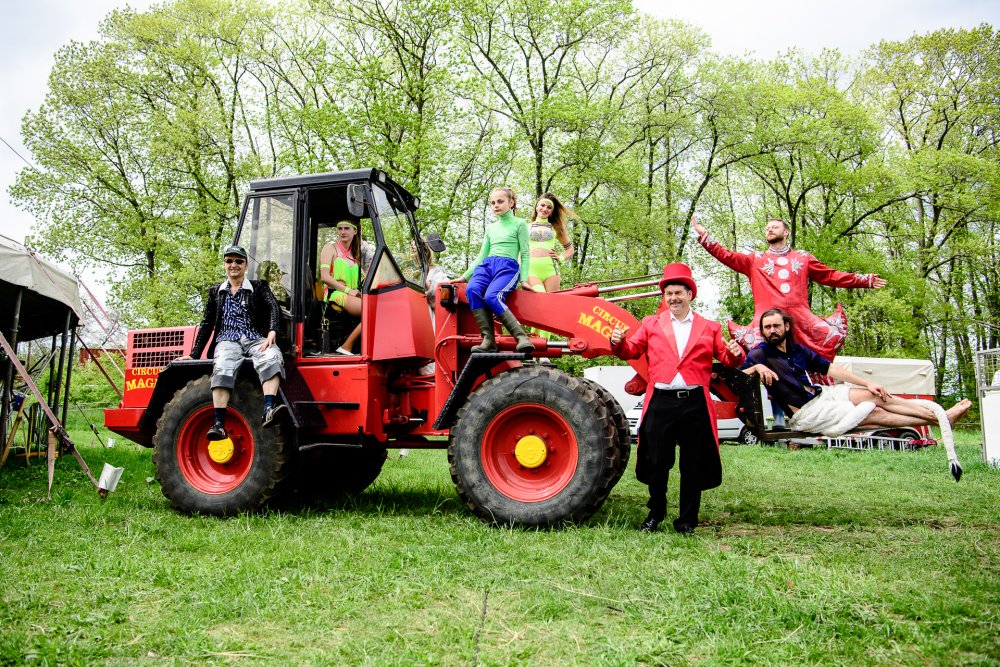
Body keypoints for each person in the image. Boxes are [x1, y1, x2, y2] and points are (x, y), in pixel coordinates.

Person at [609, 263, 745, 535]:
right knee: (658, 462)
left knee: (692, 464)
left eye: (678, 293)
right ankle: (655, 513)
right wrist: (617, 342)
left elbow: (729, 359)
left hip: (695, 403)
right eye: (668, 293)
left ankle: (687, 521)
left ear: (690, 294)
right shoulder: (651, 323)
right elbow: (631, 350)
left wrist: (736, 351)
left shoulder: (710, 327)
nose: (673, 298)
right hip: (661, 401)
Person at [741, 308, 972, 436]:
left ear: (786, 327)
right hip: (807, 413)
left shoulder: (797, 349)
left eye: (776, 326)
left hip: (821, 394)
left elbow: (832, 368)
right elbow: (738, 376)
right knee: (869, 412)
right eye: (767, 327)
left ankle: (940, 418)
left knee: (874, 395)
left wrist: (868, 383)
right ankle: (939, 419)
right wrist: (756, 367)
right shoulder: (760, 354)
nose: (771, 331)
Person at [691, 215, 887, 360]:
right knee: (770, 367)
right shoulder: (755, 260)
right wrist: (705, 237)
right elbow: (726, 255)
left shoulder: (803, 257)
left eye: (774, 227)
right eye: (767, 228)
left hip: (800, 321)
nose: (769, 230)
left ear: (785, 232)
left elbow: (830, 275)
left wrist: (864, 280)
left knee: (812, 363)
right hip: (766, 322)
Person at [178, 245, 286, 440]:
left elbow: (273, 307)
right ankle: (219, 424)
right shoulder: (215, 292)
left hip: (255, 338)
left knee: (272, 355)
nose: (233, 265)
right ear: (224, 265)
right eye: (229, 261)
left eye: (238, 261)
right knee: (222, 365)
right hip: (227, 339)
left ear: (246, 265)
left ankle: (269, 409)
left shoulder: (259, 286)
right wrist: (194, 354)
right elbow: (207, 323)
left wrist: (272, 331)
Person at [452, 186, 534, 353]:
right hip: (487, 265)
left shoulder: (520, 224)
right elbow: (482, 255)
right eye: (492, 203)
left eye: (500, 201)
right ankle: (488, 340)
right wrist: (465, 276)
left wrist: (524, 279)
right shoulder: (490, 228)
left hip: (507, 267)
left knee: (492, 296)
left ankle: (521, 337)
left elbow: (525, 253)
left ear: (511, 202)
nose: (496, 205)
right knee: (472, 290)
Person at [319, 220, 364, 355]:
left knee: (380, 306)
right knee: (371, 311)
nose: (342, 232)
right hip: (335, 294)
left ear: (355, 231)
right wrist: (348, 290)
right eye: (339, 229)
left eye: (346, 228)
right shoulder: (330, 248)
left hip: (350, 295)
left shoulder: (355, 254)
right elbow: (325, 277)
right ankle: (346, 346)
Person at [526, 193, 576, 293]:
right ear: (536, 207)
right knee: (540, 297)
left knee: (552, 303)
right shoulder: (525, 227)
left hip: (552, 271)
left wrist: (560, 258)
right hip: (531, 270)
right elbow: (519, 250)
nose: (545, 209)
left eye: (549, 207)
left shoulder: (556, 228)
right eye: (542, 205)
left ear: (551, 212)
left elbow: (570, 249)